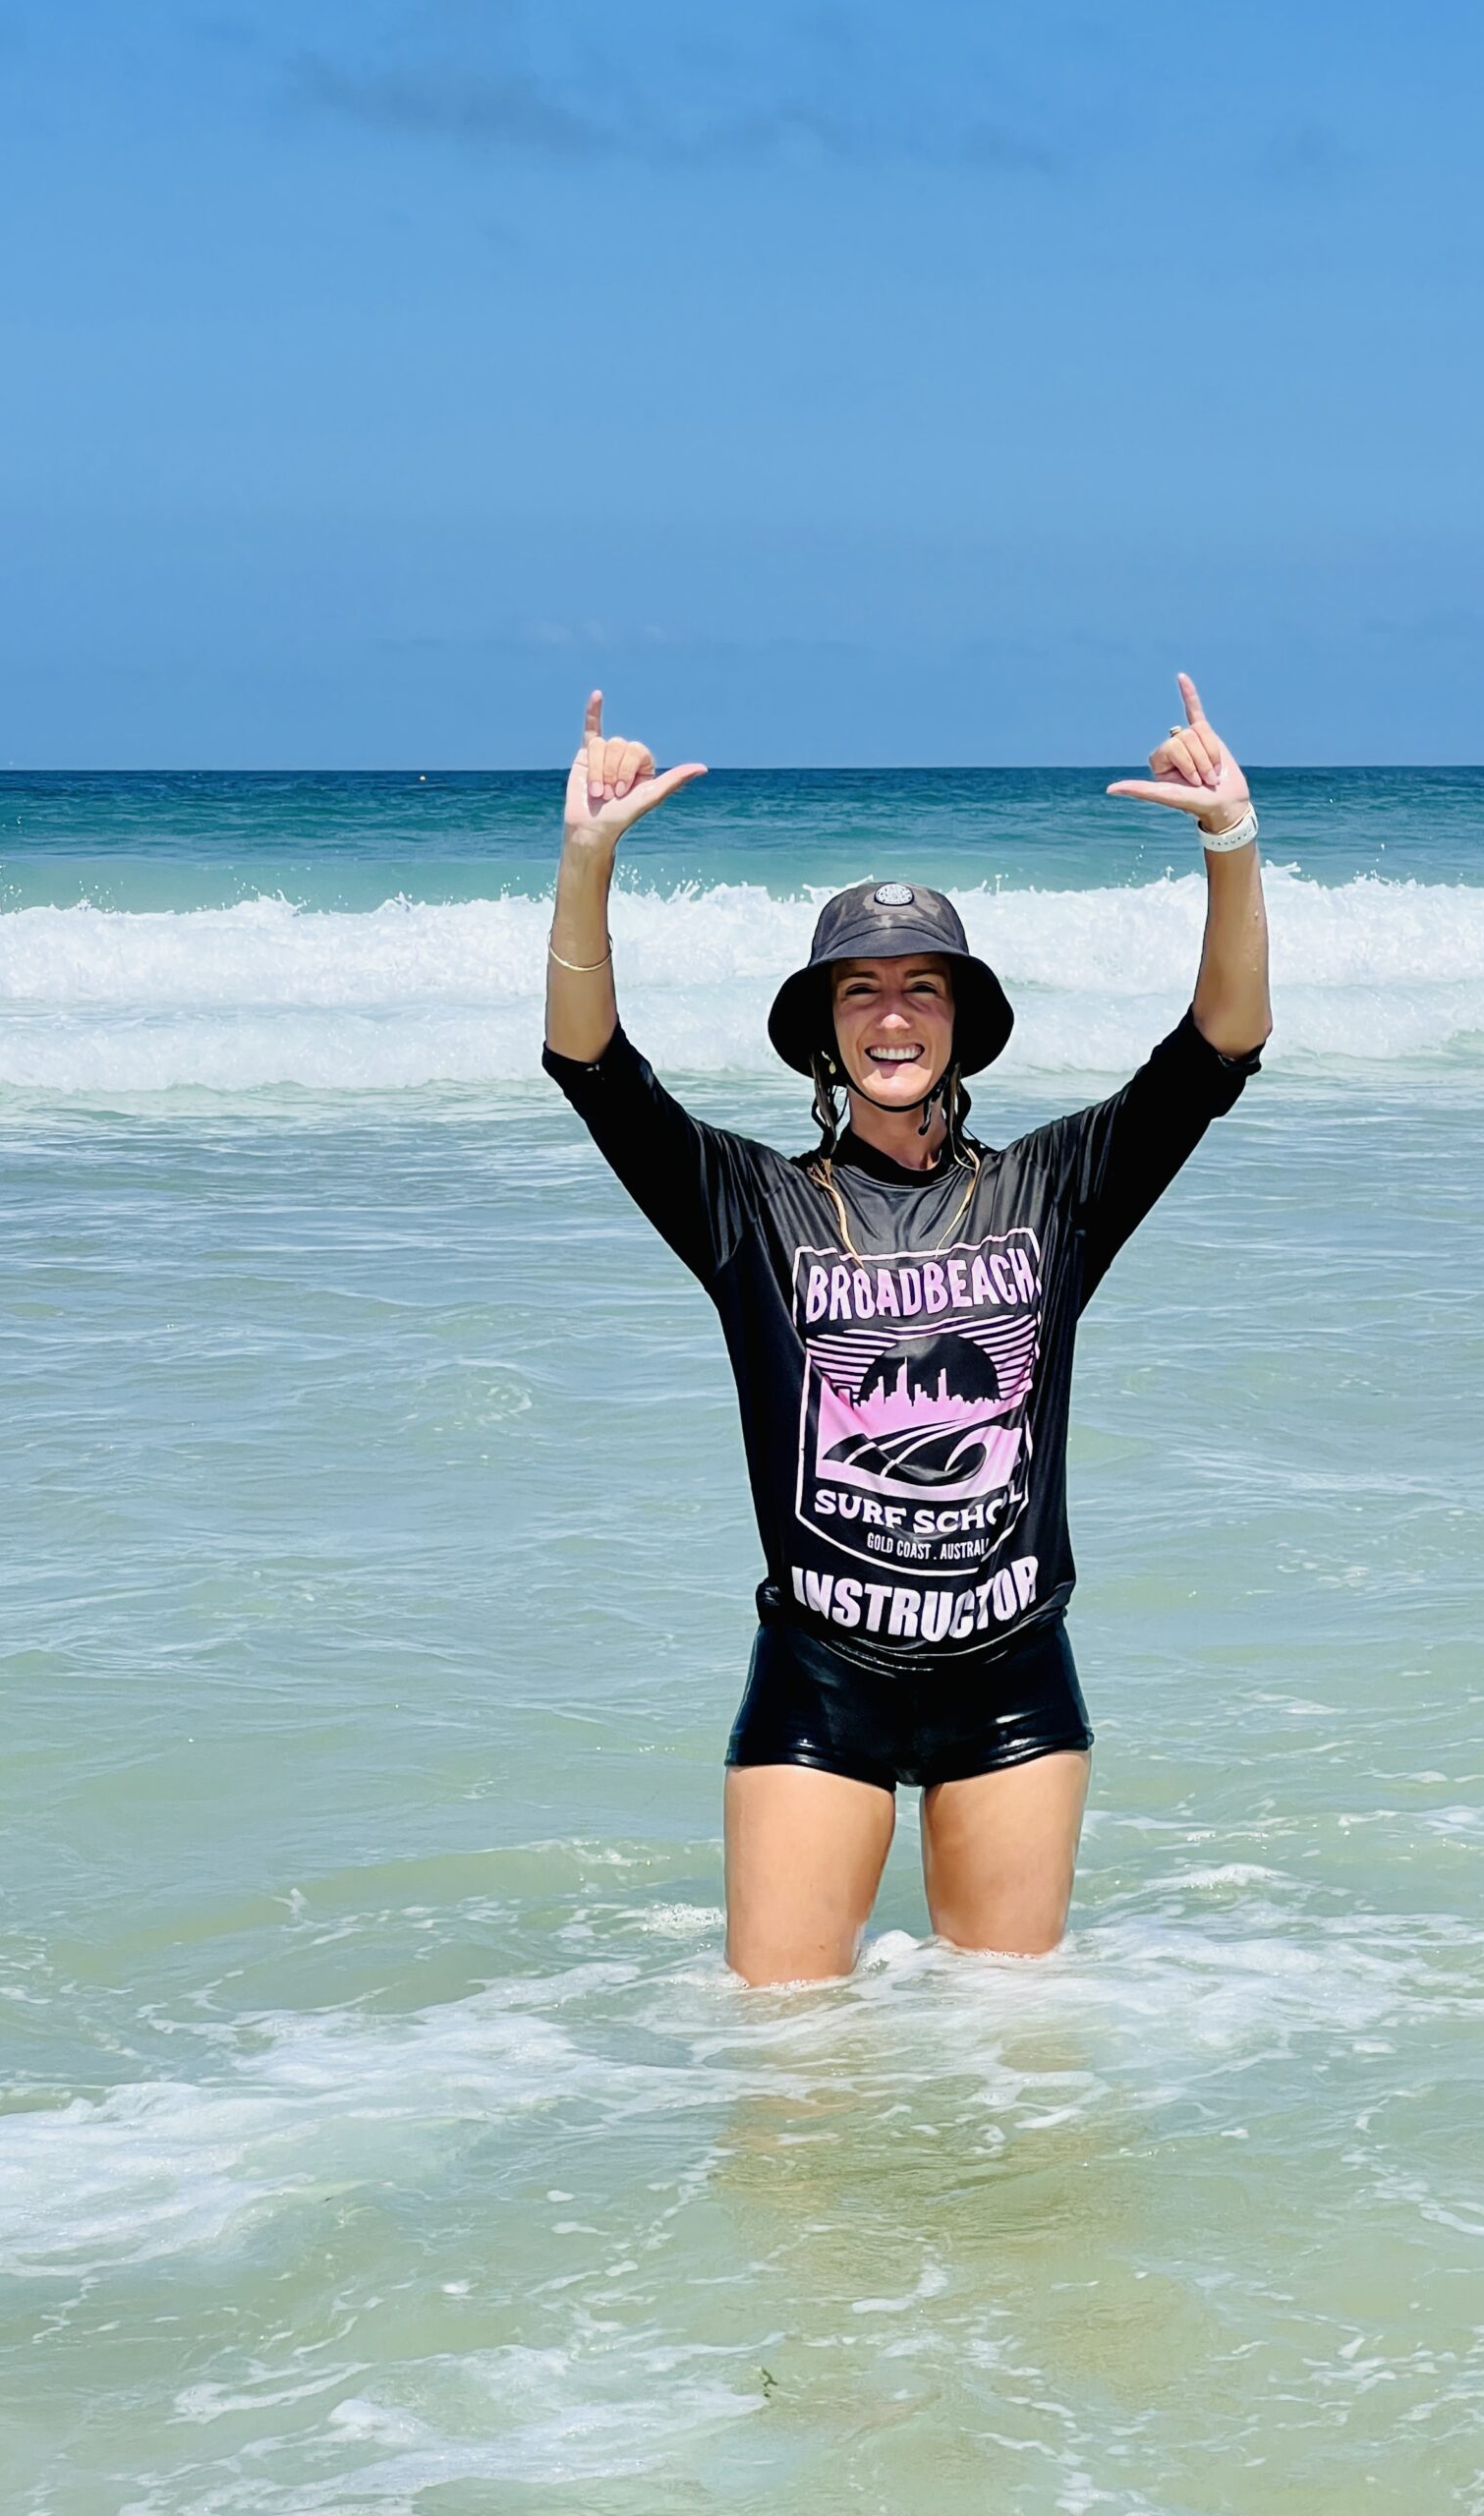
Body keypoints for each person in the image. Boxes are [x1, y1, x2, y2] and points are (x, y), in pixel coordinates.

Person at [542, 673, 1271, 1987]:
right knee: (787, 2062)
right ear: (824, 1033)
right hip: (818, 1681)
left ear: (961, 1021)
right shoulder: (751, 1207)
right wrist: (586, 860)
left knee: (1014, 2056)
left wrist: (1231, 843)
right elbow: (593, 1070)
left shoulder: (1053, 1191)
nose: (892, 1015)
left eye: (922, 988)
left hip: (1014, 1683)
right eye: (861, 990)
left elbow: (1218, 1049)